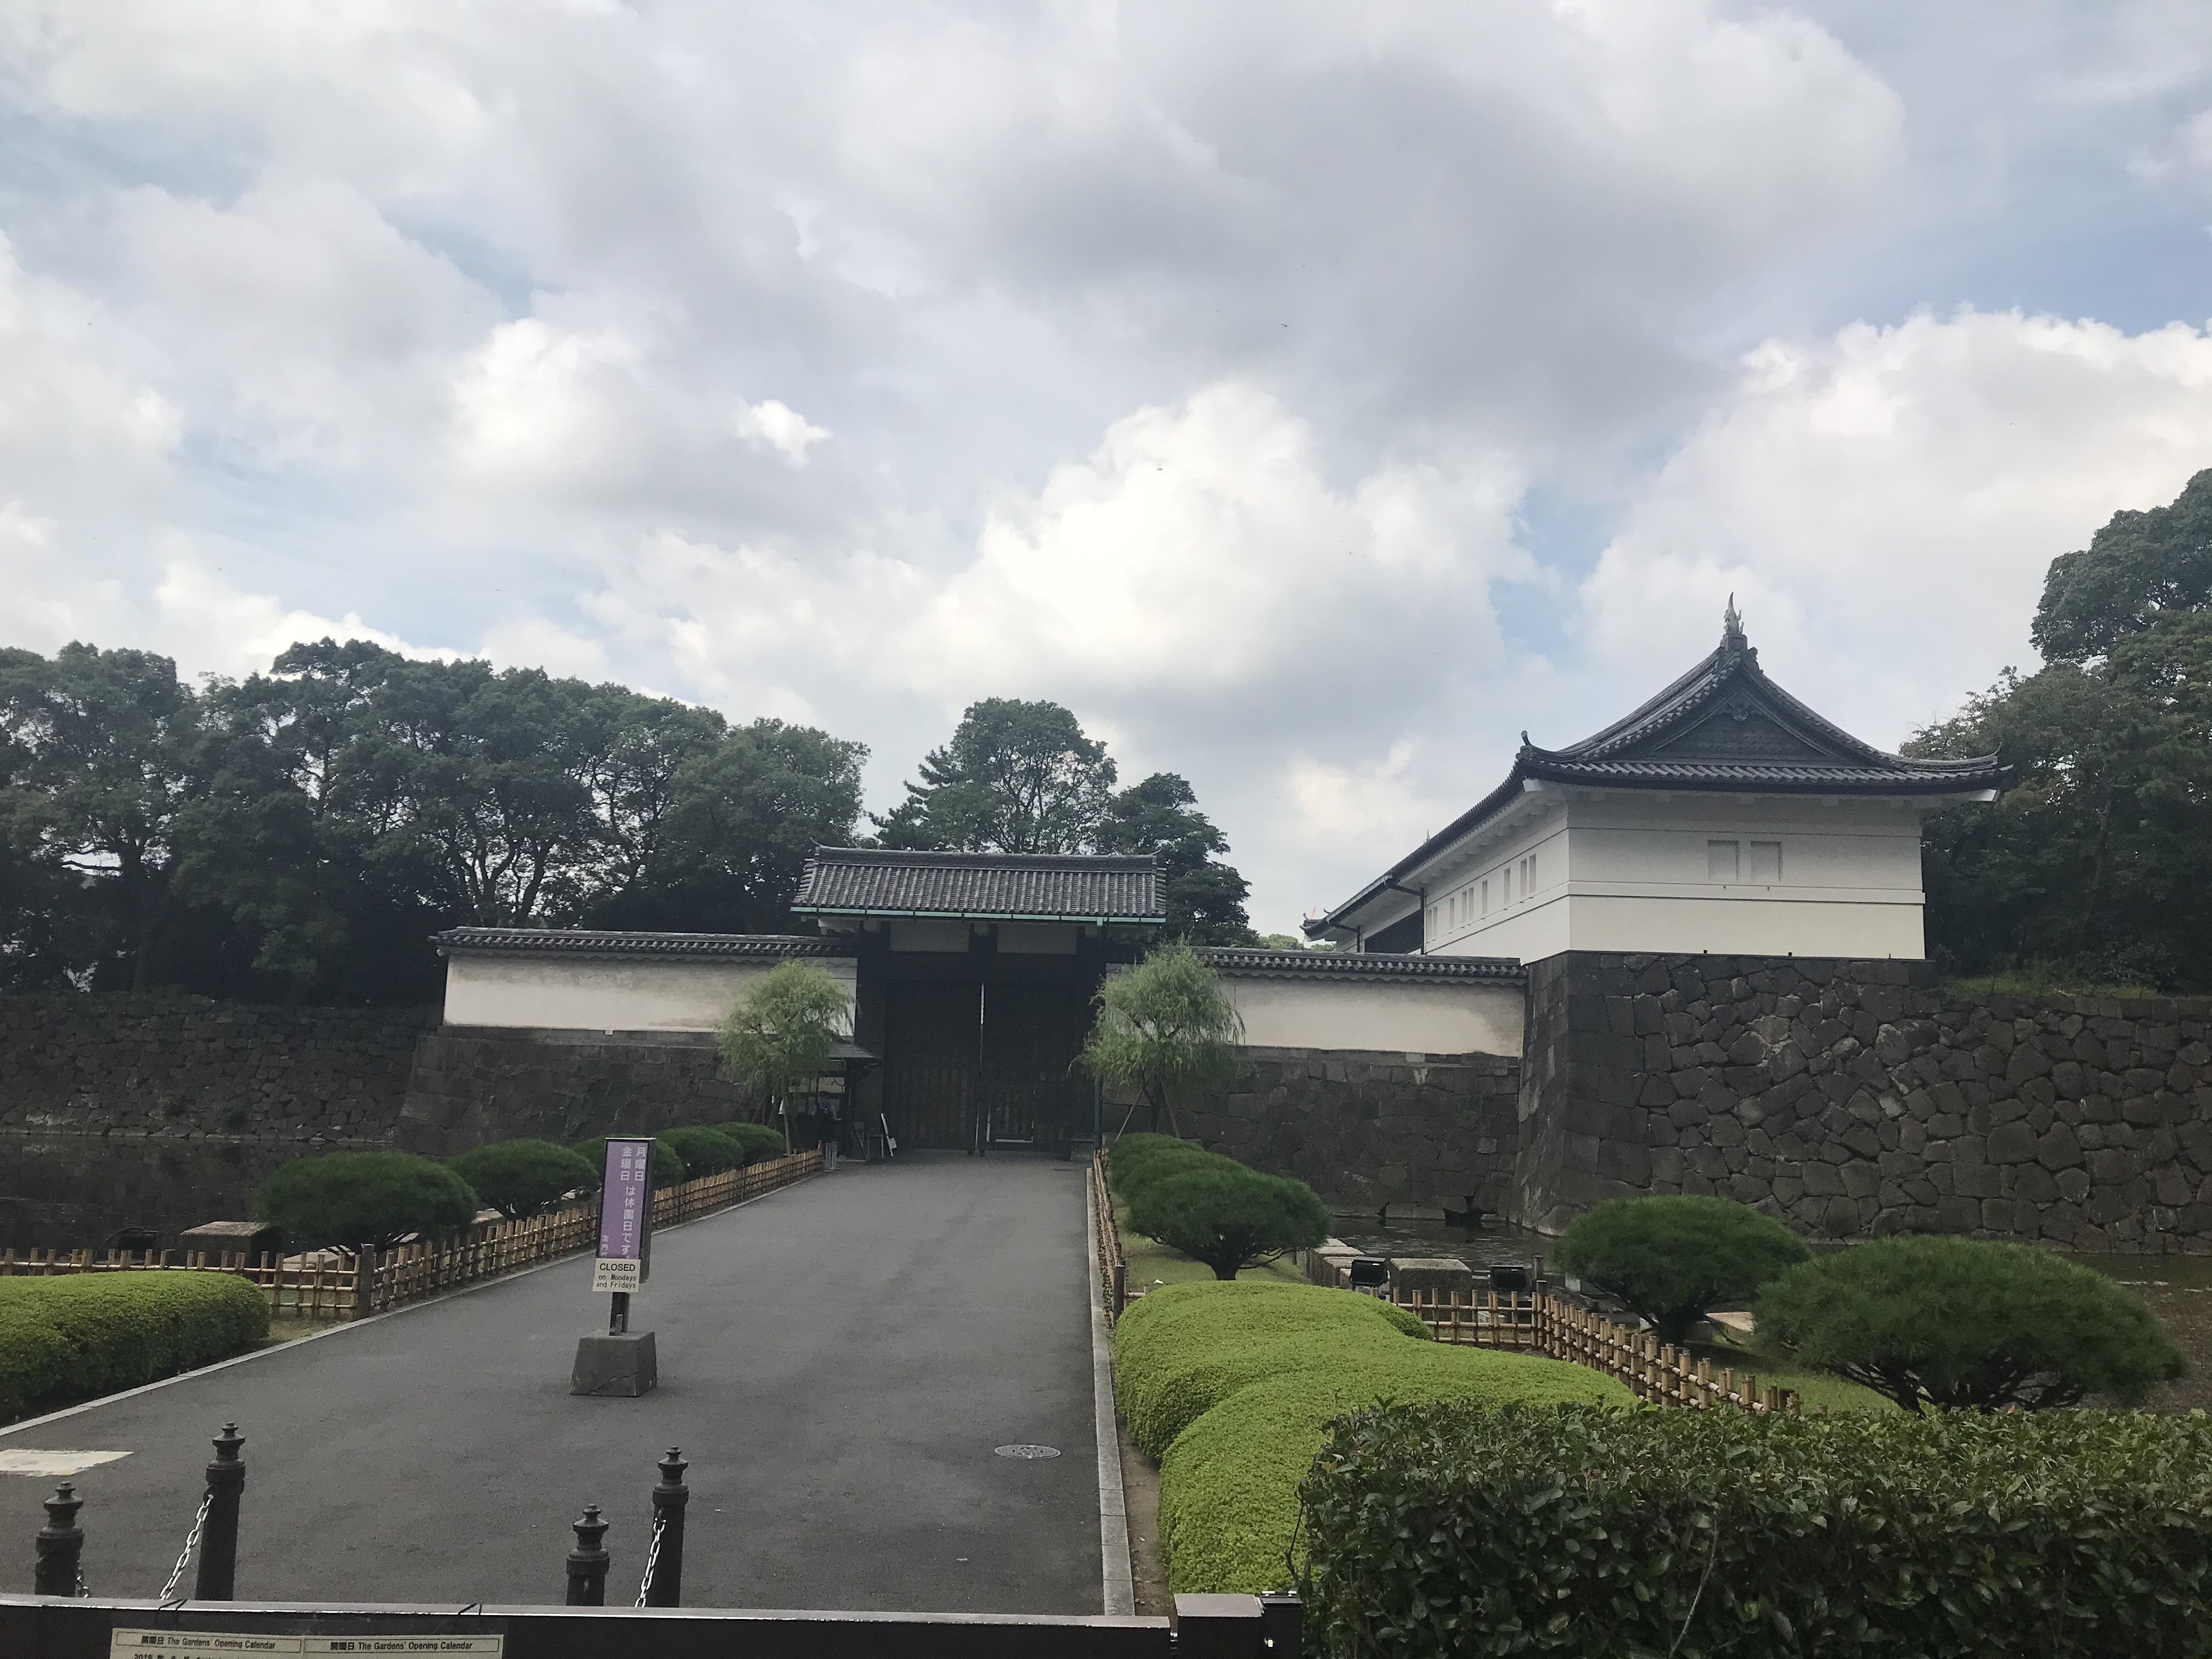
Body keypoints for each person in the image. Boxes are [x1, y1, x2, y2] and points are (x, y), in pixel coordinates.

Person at [817, 1092, 842, 1171]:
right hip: (818, 1128)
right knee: (817, 1143)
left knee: (827, 1143)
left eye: (824, 1098)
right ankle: (818, 1157)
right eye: (821, 1098)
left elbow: (834, 1117)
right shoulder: (816, 1107)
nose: (822, 1099)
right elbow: (813, 1115)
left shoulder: (830, 1107)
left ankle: (826, 1158)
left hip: (828, 1128)